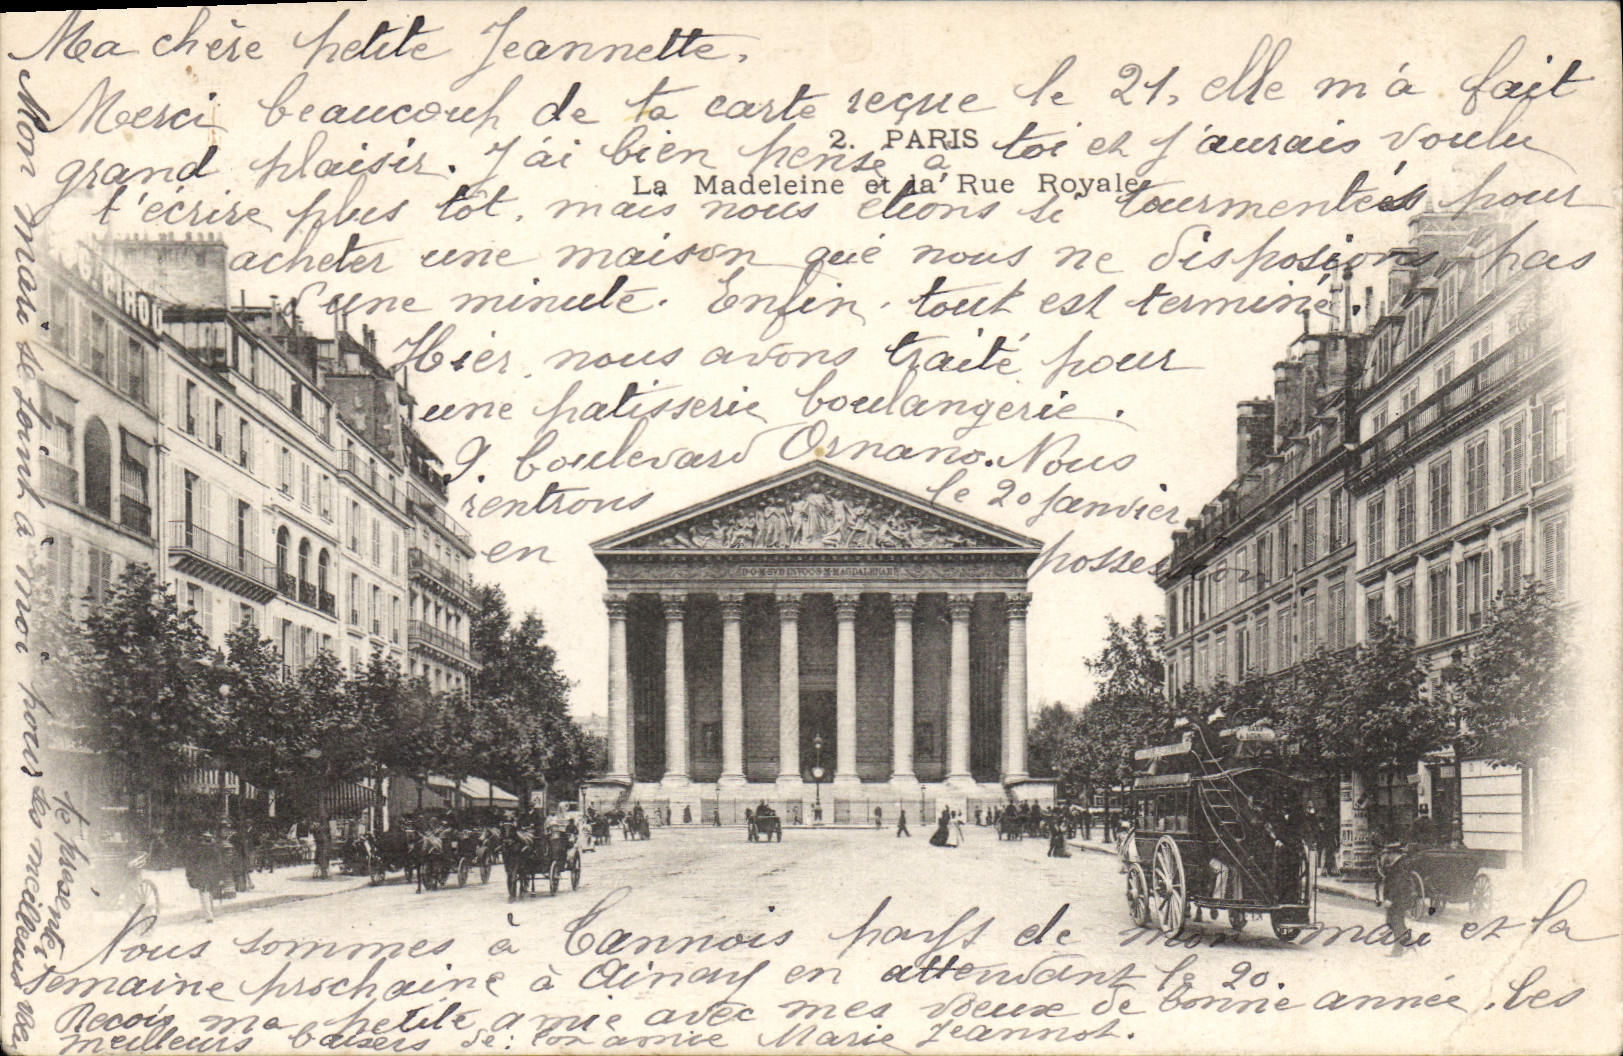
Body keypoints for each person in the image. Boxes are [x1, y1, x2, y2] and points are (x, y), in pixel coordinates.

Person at [186, 830, 227, 923]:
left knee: (204, 894)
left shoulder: (197, 850)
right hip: (212, 874)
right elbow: (219, 864)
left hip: (201, 874)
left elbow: (191, 864)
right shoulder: (215, 850)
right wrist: (220, 876)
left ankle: (209, 915)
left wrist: (190, 875)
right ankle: (210, 913)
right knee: (209, 893)